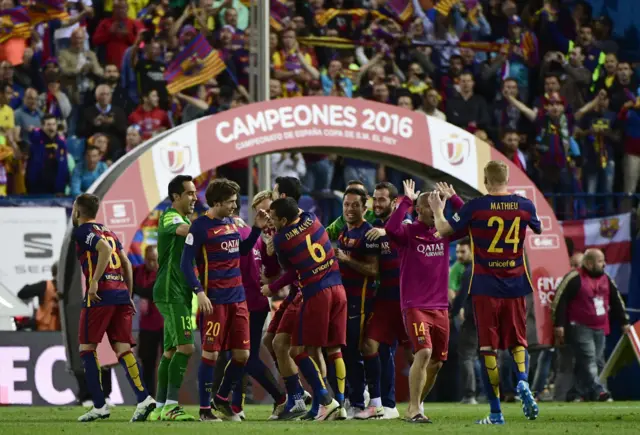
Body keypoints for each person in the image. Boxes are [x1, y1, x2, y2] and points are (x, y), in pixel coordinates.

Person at [428, 160, 542, 425]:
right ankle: (523, 381)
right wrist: (457, 199)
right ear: (507, 178)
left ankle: (496, 413)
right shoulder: (525, 205)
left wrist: (438, 208)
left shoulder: (476, 206)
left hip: (485, 286)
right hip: (515, 285)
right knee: (517, 341)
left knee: (488, 348)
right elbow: (538, 227)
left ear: (485, 179)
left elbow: (444, 229)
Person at [180, 178, 269, 421]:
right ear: (216, 201)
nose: (234, 206)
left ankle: (220, 399)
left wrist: (257, 229)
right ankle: (205, 410)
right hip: (215, 301)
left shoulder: (230, 222)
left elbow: (241, 250)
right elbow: (185, 264)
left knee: (242, 356)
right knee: (211, 355)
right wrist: (199, 292)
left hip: (238, 299)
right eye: (230, 202)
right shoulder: (199, 227)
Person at [71, 193, 155, 422]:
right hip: (119, 294)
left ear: (77, 210)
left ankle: (99, 405)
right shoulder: (108, 231)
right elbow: (126, 262)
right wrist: (128, 293)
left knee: (87, 349)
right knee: (123, 349)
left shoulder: (83, 231)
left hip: (100, 296)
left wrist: (95, 281)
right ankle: (144, 398)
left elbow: (104, 251)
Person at [384, 180, 463, 423]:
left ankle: (414, 405)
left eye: (440, 204)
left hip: (440, 308)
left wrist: (455, 199)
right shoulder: (409, 232)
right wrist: (405, 201)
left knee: (438, 362)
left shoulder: (444, 230)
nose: (439, 207)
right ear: (420, 209)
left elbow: (469, 223)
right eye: (434, 204)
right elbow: (389, 228)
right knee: (424, 351)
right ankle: (415, 410)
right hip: (415, 305)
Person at [264, 197, 345, 421]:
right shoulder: (312, 218)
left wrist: (271, 288)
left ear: (283, 218)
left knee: (298, 350)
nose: (270, 221)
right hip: (338, 286)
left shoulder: (280, 240)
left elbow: (291, 272)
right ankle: (324, 404)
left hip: (315, 292)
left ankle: (327, 400)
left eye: (273, 217)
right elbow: (296, 212)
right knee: (321, 348)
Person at [355, 181, 411, 420]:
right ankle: (382, 404)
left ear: (394, 202)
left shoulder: (406, 225)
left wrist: (387, 231)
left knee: (418, 354)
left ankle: (415, 404)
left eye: (382, 200)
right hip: (384, 298)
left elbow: (407, 234)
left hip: (407, 299)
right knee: (371, 346)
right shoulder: (372, 228)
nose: (376, 204)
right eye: (374, 199)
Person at [261, 176, 312, 420]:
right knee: (270, 340)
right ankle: (299, 393)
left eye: (274, 192)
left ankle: (317, 399)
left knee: (289, 346)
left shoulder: (292, 227)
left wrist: (272, 287)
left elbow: (293, 268)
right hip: (296, 290)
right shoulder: (304, 218)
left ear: (282, 198)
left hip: (306, 290)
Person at [149, 175, 199, 422]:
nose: (194, 197)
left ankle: (159, 407)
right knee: (187, 347)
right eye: (189, 193)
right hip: (171, 291)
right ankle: (171, 406)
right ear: (176, 197)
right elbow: (184, 230)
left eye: (194, 192)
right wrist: (214, 226)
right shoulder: (170, 216)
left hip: (177, 292)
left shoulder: (185, 217)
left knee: (170, 351)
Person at [552, 248, 629, 402]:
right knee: (589, 359)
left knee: (597, 361)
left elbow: (616, 300)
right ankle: (601, 391)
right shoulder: (573, 278)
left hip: (600, 326)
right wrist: (559, 325)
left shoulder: (606, 278)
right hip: (579, 326)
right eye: (600, 261)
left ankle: (577, 393)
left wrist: (624, 322)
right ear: (588, 263)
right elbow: (560, 301)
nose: (604, 264)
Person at [333, 186, 380, 418]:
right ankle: (356, 398)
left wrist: (346, 259)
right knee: (345, 349)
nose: (349, 209)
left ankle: (362, 401)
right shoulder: (344, 230)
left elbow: (373, 270)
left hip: (360, 300)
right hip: (343, 299)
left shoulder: (368, 233)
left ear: (364, 207)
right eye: (346, 204)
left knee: (355, 349)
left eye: (354, 205)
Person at [133, 245, 162, 398]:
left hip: (165, 323)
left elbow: (156, 290)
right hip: (147, 325)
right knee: (147, 362)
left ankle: (166, 399)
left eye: (155, 260)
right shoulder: (138, 271)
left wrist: (143, 294)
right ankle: (148, 397)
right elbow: (131, 287)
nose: (152, 264)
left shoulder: (165, 271)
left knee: (166, 363)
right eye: (149, 260)